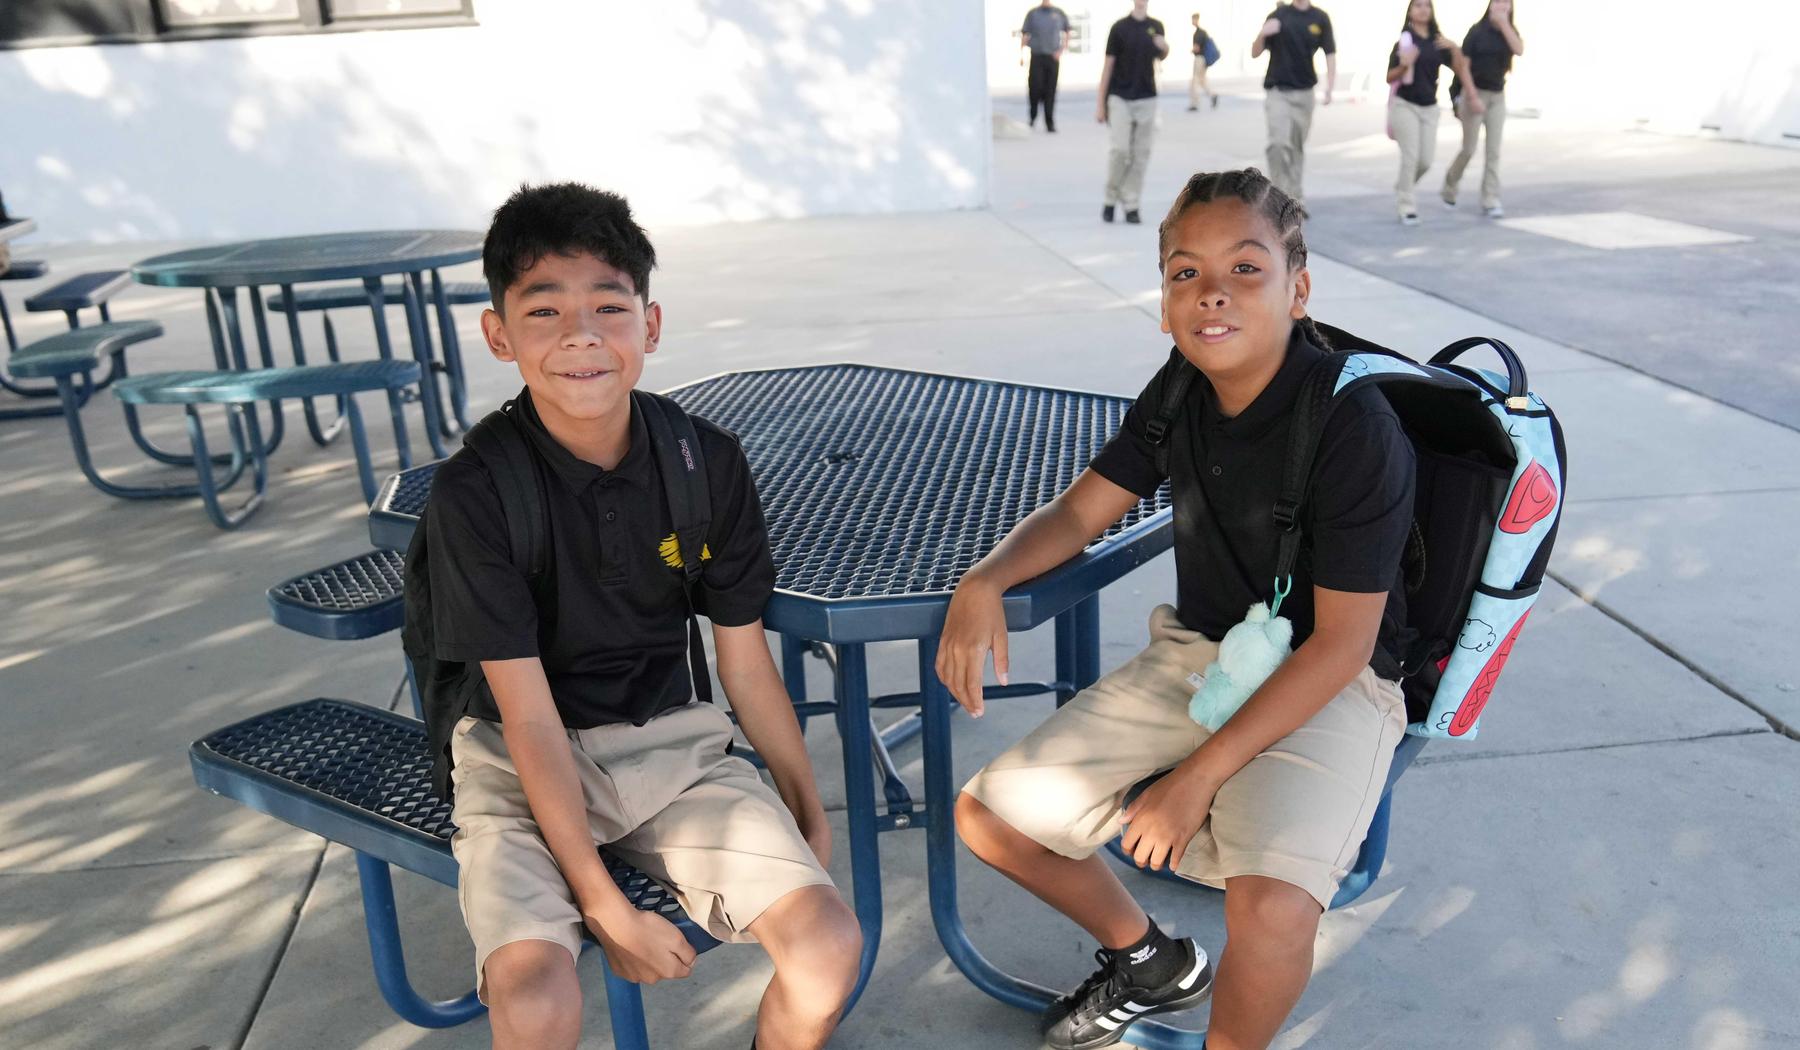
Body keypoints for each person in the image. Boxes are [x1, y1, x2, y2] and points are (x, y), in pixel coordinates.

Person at [939, 168, 1416, 1050]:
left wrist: (1193, 779)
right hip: (1206, 655)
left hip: (1331, 681)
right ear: (1164, 301)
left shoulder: (1357, 424)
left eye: (1246, 269)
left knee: (1269, 908)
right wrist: (985, 580)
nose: (1212, 295)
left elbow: (1345, 644)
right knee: (990, 815)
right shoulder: (1182, 385)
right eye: (1185, 274)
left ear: (1298, 288)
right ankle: (1149, 959)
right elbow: (1084, 510)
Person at [428, 182, 860, 1050]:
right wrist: (604, 906)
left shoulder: (704, 462)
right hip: (518, 760)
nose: (581, 335)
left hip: (671, 743)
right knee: (536, 997)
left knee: (828, 943)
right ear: (499, 336)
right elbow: (528, 716)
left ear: (650, 326)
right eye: (544, 310)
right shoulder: (476, 492)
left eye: (607, 307)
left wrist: (806, 807)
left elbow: (742, 662)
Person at [1386, 0, 1480, 225]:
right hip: (1405, 105)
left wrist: (1455, 49)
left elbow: (1459, 68)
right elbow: (1389, 77)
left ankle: (1402, 186)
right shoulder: (1404, 41)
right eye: (1417, 5)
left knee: (1425, 161)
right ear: (1410, 10)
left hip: (1429, 107)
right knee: (1410, 157)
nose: (1422, 9)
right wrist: (1405, 65)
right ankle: (1406, 206)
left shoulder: (1438, 42)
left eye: (1427, 5)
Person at [1442, 0, 1523, 218]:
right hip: (1474, 93)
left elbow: (1519, 49)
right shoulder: (1477, 32)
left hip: (1497, 95)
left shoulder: (1509, 31)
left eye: (1506, 2)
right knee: (1469, 148)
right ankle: (1450, 184)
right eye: (1497, 1)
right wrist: (1472, 96)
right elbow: (1463, 67)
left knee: (1493, 150)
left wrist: (1505, 24)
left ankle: (1490, 198)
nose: (1501, 6)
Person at [1251, 1, 1335, 204]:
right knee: (1278, 144)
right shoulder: (1278, 15)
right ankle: (1280, 197)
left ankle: (1295, 197)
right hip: (1278, 91)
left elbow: (1330, 54)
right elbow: (1255, 53)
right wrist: (1263, 34)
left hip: (1305, 92)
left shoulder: (1320, 18)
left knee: (1296, 146)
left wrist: (1329, 87)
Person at [1098, 1, 1170, 224]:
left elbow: (1162, 56)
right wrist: (1100, 103)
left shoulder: (1156, 26)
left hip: (1147, 97)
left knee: (1141, 155)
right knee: (1120, 150)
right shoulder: (1119, 28)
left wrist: (1165, 46)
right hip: (1120, 97)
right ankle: (1110, 198)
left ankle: (1131, 204)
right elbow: (1108, 66)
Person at [1021, 1, 1073, 132]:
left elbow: (1068, 32)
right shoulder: (1033, 14)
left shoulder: (1058, 13)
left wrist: (1061, 50)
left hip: (1052, 57)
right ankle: (1032, 118)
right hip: (1037, 56)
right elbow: (1025, 34)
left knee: (1051, 90)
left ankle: (1049, 122)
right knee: (1034, 88)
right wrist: (1021, 54)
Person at [1188, 12, 1218, 111]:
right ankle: (1212, 95)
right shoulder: (1203, 33)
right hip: (1204, 59)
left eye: (1193, 19)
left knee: (1194, 81)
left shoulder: (1198, 34)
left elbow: (1196, 48)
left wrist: (1191, 50)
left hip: (1199, 59)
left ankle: (1194, 103)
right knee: (1202, 80)